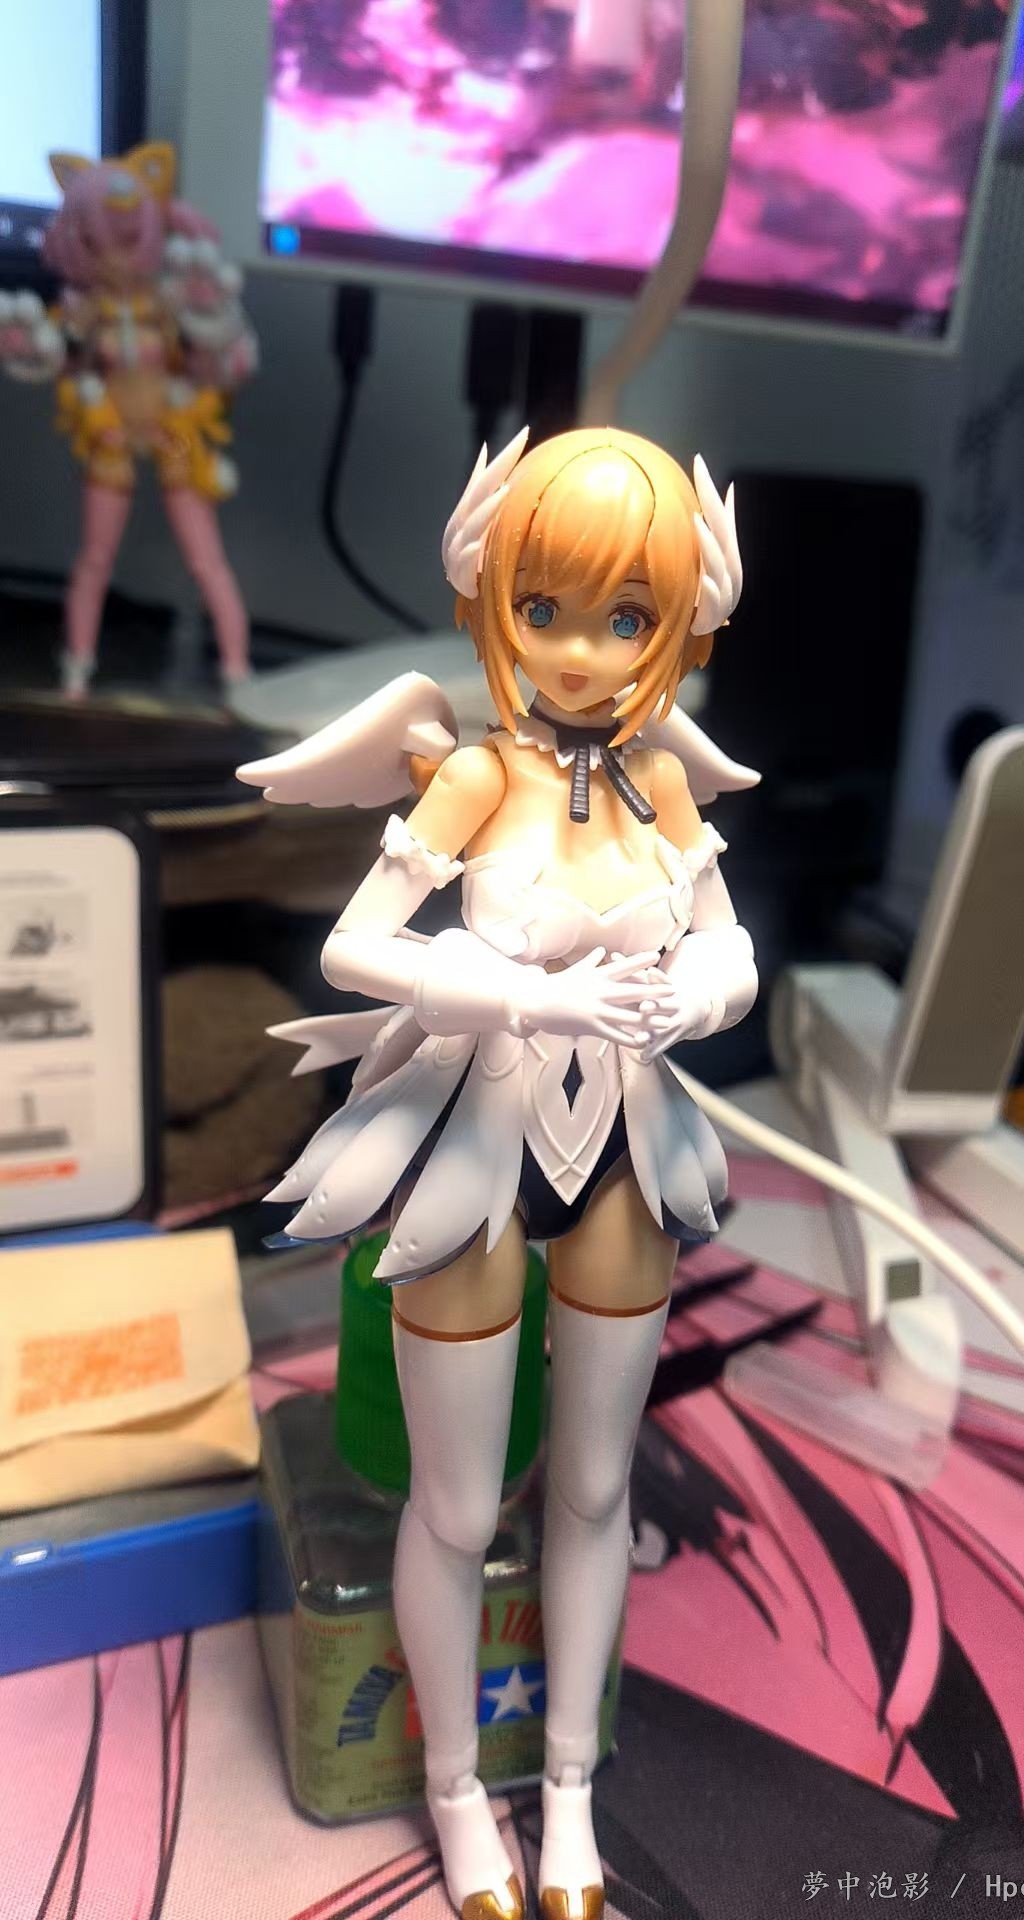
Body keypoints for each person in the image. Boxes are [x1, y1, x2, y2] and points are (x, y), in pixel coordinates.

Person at [240, 425, 759, 1919]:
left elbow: (728, 942)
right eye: (545, 610)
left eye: (625, 617)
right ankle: (459, 1792)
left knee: (592, 1490)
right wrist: (527, 996)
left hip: (624, 1150)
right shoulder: (473, 771)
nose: (581, 653)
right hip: (478, 1140)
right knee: (460, 1509)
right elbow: (356, 948)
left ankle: (572, 1792)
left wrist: (700, 995)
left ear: (679, 623)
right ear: (491, 598)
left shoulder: (663, 785)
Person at [0, 143, 256, 697]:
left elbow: (216, 359)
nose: (113, 257)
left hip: (175, 434)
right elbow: (61, 363)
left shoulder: (168, 302)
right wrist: (30, 349)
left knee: (207, 562)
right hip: (111, 439)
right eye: (96, 243)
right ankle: (75, 674)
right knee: (95, 559)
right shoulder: (82, 312)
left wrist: (216, 335)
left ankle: (238, 672)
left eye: (126, 239)